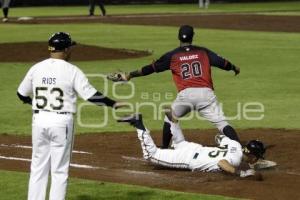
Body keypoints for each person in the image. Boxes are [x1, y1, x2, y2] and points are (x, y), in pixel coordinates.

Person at [17, 32, 125, 200]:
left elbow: (21, 94)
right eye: (70, 47)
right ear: (66, 49)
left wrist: (37, 104)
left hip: (39, 121)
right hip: (61, 122)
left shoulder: (36, 68)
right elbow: (91, 95)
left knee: (38, 167)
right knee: (59, 170)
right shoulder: (72, 71)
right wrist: (112, 104)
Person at [107, 25, 241, 148]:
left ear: (178, 37)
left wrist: (130, 75)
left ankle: (164, 149)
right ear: (192, 36)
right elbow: (223, 63)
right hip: (206, 95)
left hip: (186, 95)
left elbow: (150, 68)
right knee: (222, 123)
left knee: (169, 118)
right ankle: (241, 150)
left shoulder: (172, 55)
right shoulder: (203, 52)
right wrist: (234, 67)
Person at [118, 113, 266, 177]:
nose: (257, 159)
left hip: (192, 147)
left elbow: (219, 137)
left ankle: (171, 115)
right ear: (252, 156)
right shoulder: (235, 159)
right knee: (151, 155)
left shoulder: (234, 144)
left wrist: (222, 149)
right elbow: (222, 163)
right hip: (187, 157)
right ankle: (138, 123)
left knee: (179, 142)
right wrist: (239, 173)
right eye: (258, 157)